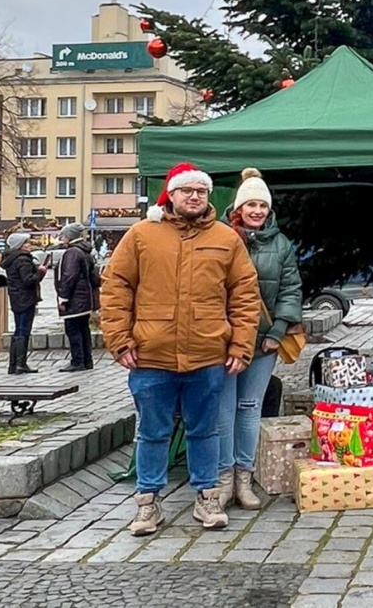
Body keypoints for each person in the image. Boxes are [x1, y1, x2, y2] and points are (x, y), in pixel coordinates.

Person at [101, 162, 260, 535]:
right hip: (150, 356)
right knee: (152, 432)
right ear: (171, 195)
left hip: (207, 355)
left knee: (205, 431)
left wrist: (240, 344)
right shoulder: (142, 235)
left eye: (201, 192)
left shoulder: (226, 238)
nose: (194, 197)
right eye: (187, 191)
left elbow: (244, 296)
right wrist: (119, 340)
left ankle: (207, 497)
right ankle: (147, 503)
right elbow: (115, 287)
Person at [216, 167, 303, 510]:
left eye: (262, 206)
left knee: (249, 407)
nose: (257, 211)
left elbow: (291, 290)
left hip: (265, 341)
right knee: (224, 411)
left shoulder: (281, 245)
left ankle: (244, 477)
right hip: (224, 342)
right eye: (250, 204)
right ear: (238, 206)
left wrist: (278, 331)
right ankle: (223, 480)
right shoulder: (220, 237)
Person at [54, 223, 99, 373]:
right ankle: (87, 360)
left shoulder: (72, 252)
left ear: (69, 236)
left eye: (63, 235)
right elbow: (94, 278)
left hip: (75, 299)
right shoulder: (85, 251)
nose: (61, 238)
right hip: (85, 298)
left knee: (73, 329)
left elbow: (69, 276)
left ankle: (77, 361)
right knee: (83, 329)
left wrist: (63, 297)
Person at [1, 232, 45, 375]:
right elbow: (28, 280)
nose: (29, 245)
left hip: (16, 298)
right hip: (25, 298)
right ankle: (21, 364)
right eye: (26, 243)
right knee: (24, 330)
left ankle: (13, 364)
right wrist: (41, 273)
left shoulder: (11, 259)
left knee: (18, 329)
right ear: (19, 246)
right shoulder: (23, 260)